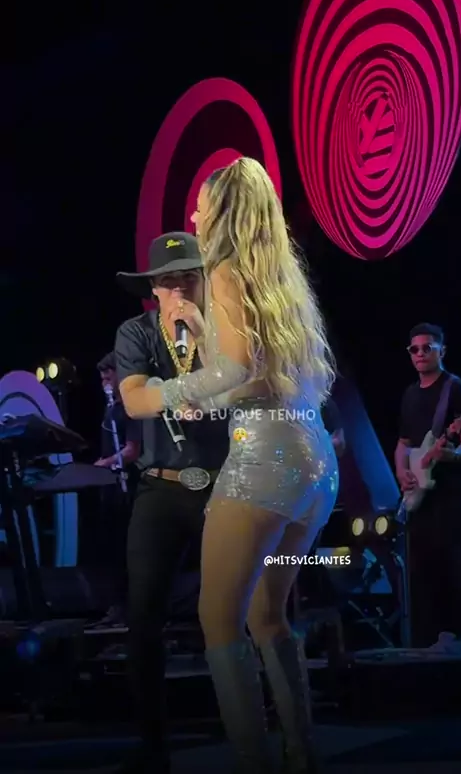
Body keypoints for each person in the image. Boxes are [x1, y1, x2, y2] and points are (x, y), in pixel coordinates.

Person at [118, 157, 339, 774]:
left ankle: (254, 762)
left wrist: (170, 393)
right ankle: (301, 755)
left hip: (262, 464)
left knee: (218, 619)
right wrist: (204, 371)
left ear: (225, 211)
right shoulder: (281, 279)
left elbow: (237, 367)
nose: (194, 214)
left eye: (202, 203)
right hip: (313, 465)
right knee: (267, 616)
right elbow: (265, 379)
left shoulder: (224, 271)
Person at [114, 232, 230, 774]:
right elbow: (135, 400)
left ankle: (256, 729)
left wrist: (202, 336)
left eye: (188, 275)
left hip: (224, 485)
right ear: (153, 289)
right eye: (168, 279)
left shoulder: (226, 330)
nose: (179, 286)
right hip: (162, 487)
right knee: (144, 615)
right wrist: (181, 392)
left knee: (238, 610)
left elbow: (236, 386)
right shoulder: (136, 332)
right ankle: (152, 745)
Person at [395, 323, 461, 650]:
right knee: (424, 566)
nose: (420, 354)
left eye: (427, 347)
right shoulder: (409, 394)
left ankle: (458, 635)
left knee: (453, 563)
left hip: (453, 494)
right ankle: (430, 637)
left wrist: (453, 455)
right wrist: (402, 472)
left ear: (442, 351)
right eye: (414, 349)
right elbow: (403, 444)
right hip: (422, 495)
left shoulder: (454, 389)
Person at [93, 352, 142, 626]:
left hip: (128, 487)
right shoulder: (110, 410)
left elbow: (132, 450)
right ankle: (117, 605)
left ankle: (135, 608)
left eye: (108, 378)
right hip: (110, 488)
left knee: (129, 549)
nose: (104, 384)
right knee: (112, 549)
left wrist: (105, 463)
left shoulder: (132, 410)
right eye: (101, 379)